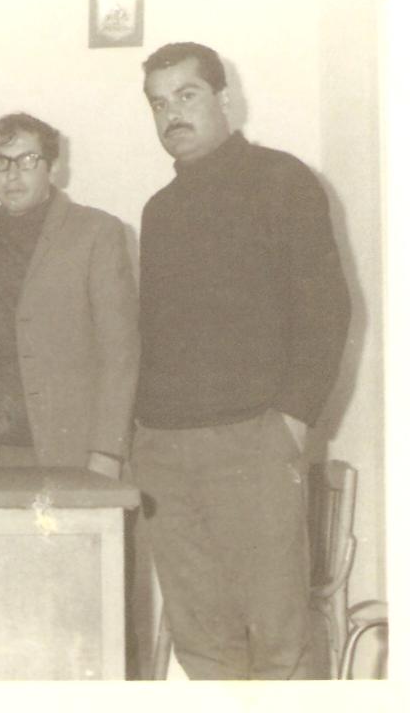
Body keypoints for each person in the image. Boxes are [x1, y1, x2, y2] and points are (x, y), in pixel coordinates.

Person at [133, 42, 351, 679]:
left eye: (187, 95)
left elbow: (328, 310)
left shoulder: (283, 180)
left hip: (252, 442)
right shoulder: (159, 210)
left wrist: (291, 420)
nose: (172, 113)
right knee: (201, 642)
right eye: (158, 103)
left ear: (225, 99)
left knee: (278, 641)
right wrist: (144, 435)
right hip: (165, 451)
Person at [0, 113, 139, 476]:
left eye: (27, 160)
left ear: (53, 168)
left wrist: (107, 450)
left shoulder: (97, 231)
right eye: (0, 162)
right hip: (0, 447)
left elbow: (120, 352)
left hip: (75, 447)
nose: (12, 175)